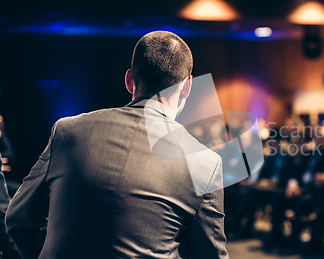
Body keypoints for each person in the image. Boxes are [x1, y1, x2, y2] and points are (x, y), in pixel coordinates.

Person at [5, 31, 228, 259]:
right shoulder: (205, 163)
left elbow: (18, 219)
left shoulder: (67, 131)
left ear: (130, 80)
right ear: (187, 86)